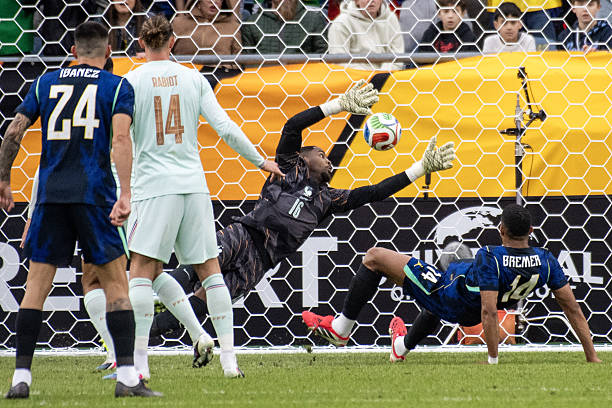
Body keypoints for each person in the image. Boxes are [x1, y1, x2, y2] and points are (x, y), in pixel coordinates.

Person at [151, 80, 457, 338]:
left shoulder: (328, 199)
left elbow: (374, 192)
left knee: (206, 301)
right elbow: (293, 124)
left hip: (260, 263)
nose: (329, 161)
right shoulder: (287, 167)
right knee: (195, 270)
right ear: (304, 156)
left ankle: (146, 331)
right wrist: (339, 105)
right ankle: (146, 301)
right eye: (322, 154)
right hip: (243, 234)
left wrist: (420, 168)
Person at [1, 22, 160, 398]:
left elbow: (13, 132)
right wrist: (125, 192)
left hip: (52, 196)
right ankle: (127, 378)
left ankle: (20, 378)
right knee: (117, 285)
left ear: (72, 50)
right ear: (108, 53)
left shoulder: (45, 82)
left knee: (36, 286)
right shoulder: (117, 86)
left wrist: (4, 180)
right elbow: (121, 138)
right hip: (95, 195)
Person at [123, 15, 283, 379]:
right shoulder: (193, 78)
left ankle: (141, 365)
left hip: (154, 187)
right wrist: (261, 160)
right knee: (210, 273)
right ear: (174, 42)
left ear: (141, 43)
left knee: (142, 274)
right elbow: (224, 128)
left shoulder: (131, 82)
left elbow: (118, 139)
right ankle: (230, 361)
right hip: (193, 185)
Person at [302, 204, 601, 365]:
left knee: (375, 257)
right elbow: (572, 309)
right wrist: (591, 354)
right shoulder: (546, 260)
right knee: (454, 271)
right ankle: (400, 347)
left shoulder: (490, 256)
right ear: (531, 231)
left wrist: (493, 359)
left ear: (501, 230)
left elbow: (488, 312)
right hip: (462, 298)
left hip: (447, 295)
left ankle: (341, 330)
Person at [172, 0, 243, 85]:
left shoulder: (232, 27)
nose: (214, 2)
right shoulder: (179, 24)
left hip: (219, 83)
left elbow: (238, 63)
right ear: (198, 2)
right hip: (183, 81)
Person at [328, 0, 405, 70]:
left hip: (387, 77)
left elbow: (397, 54)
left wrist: (380, 75)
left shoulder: (391, 19)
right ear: (356, 1)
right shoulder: (341, 23)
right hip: (355, 79)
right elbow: (339, 61)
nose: (371, 1)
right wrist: (369, 76)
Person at [241, 0, 328, 56]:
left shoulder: (313, 19)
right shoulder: (253, 22)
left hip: (302, 81)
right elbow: (246, 62)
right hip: (264, 81)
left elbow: (323, 57)